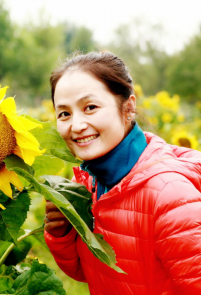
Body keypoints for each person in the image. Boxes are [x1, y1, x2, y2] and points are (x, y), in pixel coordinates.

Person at [44, 51, 201, 295]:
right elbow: (94, 273)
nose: (76, 125)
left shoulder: (170, 196)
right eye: (64, 113)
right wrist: (62, 235)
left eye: (90, 107)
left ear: (128, 107)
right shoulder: (85, 183)